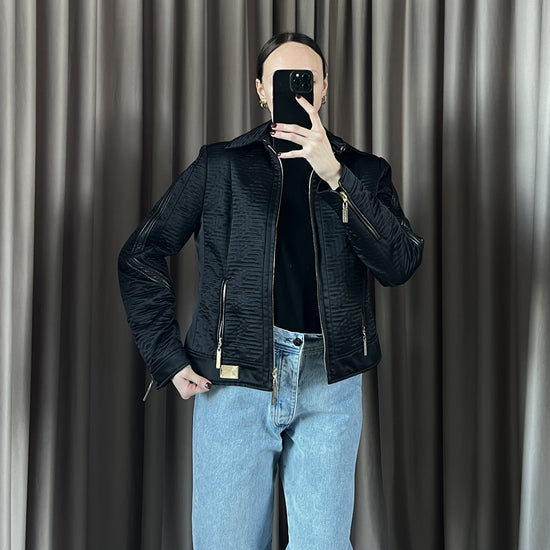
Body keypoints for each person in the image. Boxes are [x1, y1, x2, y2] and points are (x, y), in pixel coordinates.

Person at [119, 32, 423, 550]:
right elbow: (141, 253)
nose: (297, 91)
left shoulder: (365, 172)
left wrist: (337, 176)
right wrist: (167, 356)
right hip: (235, 379)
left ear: (324, 88)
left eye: (306, 80)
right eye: (283, 80)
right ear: (262, 90)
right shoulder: (221, 166)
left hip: (329, 381)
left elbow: (399, 264)